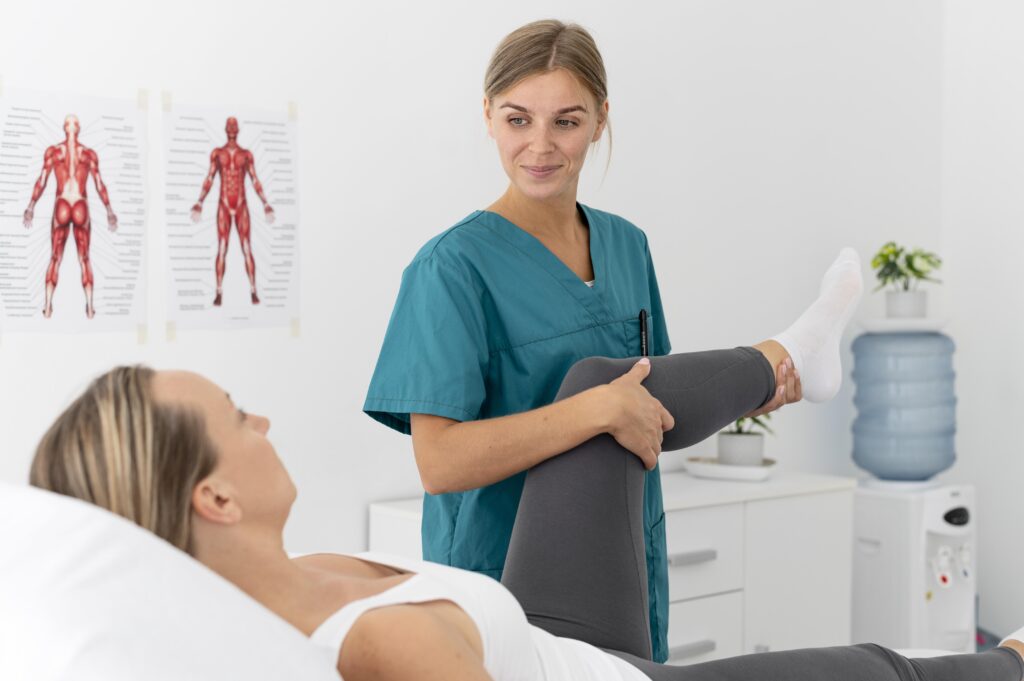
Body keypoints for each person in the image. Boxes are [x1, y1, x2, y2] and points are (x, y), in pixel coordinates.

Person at [30, 253, 1024, 680]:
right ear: (214, 494)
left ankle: (787, 364)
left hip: (556, 636)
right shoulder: (372, 648)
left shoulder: (314, 571)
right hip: (607, 678)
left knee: (598, 390)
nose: (265, 416)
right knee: (899, 671)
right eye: (237, 416)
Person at [362, 19, 802, 660]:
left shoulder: (627, 246)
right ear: (488, 116)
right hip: (506, 577)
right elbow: (440, 464)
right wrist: (591, 410)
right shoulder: (451, 269)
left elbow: (652, 409)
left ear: (600, 119)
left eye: (566, 121)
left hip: (626, 556)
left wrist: (743, 394)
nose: (539, 146)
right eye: (518, 120)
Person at [23, 114, 118, 319]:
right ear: (79, 128)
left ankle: (48, 306)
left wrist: (31, 206)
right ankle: (90, 308)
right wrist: (109, 210)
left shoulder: (54, 152)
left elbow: (42, 180)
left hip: (62, 204)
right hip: (81, 204)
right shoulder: (89, 154)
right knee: (84, 258)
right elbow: (99, 184)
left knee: (55, 258)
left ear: (64, 128)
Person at [190, 116, 274, 307]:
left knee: (246, 248)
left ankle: (253, 290)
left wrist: (265, 203)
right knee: (222, 248)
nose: (232, 128)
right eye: (230, 126)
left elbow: (254, 179)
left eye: (234, 126)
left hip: (241, 204)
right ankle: (219, 292)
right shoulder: (217, 153)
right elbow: (210, 177)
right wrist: (200, 201)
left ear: (237, 130)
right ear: (226, 129)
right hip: (224, 206)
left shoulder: (246, 154)